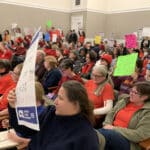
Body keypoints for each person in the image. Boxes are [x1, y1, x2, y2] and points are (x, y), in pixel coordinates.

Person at [8, 80, 99, 150]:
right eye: (57, 96)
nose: (55, 102)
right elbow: (25, 129)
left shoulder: (86, 137)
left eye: (60, 98)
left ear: (75, 104)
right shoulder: (50, 113)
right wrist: (13, 107)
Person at [98, 81, 150, 150]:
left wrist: (114, 129)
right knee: (95, 136)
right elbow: (111, 113)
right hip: (108, 131)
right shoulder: (125, 100)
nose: (130, 94)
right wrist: (106, 124)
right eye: (131, 90)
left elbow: (140, 135)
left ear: (144, 97)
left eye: (135, 93)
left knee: (101, 136)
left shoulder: (147, 112)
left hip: (129, 141)